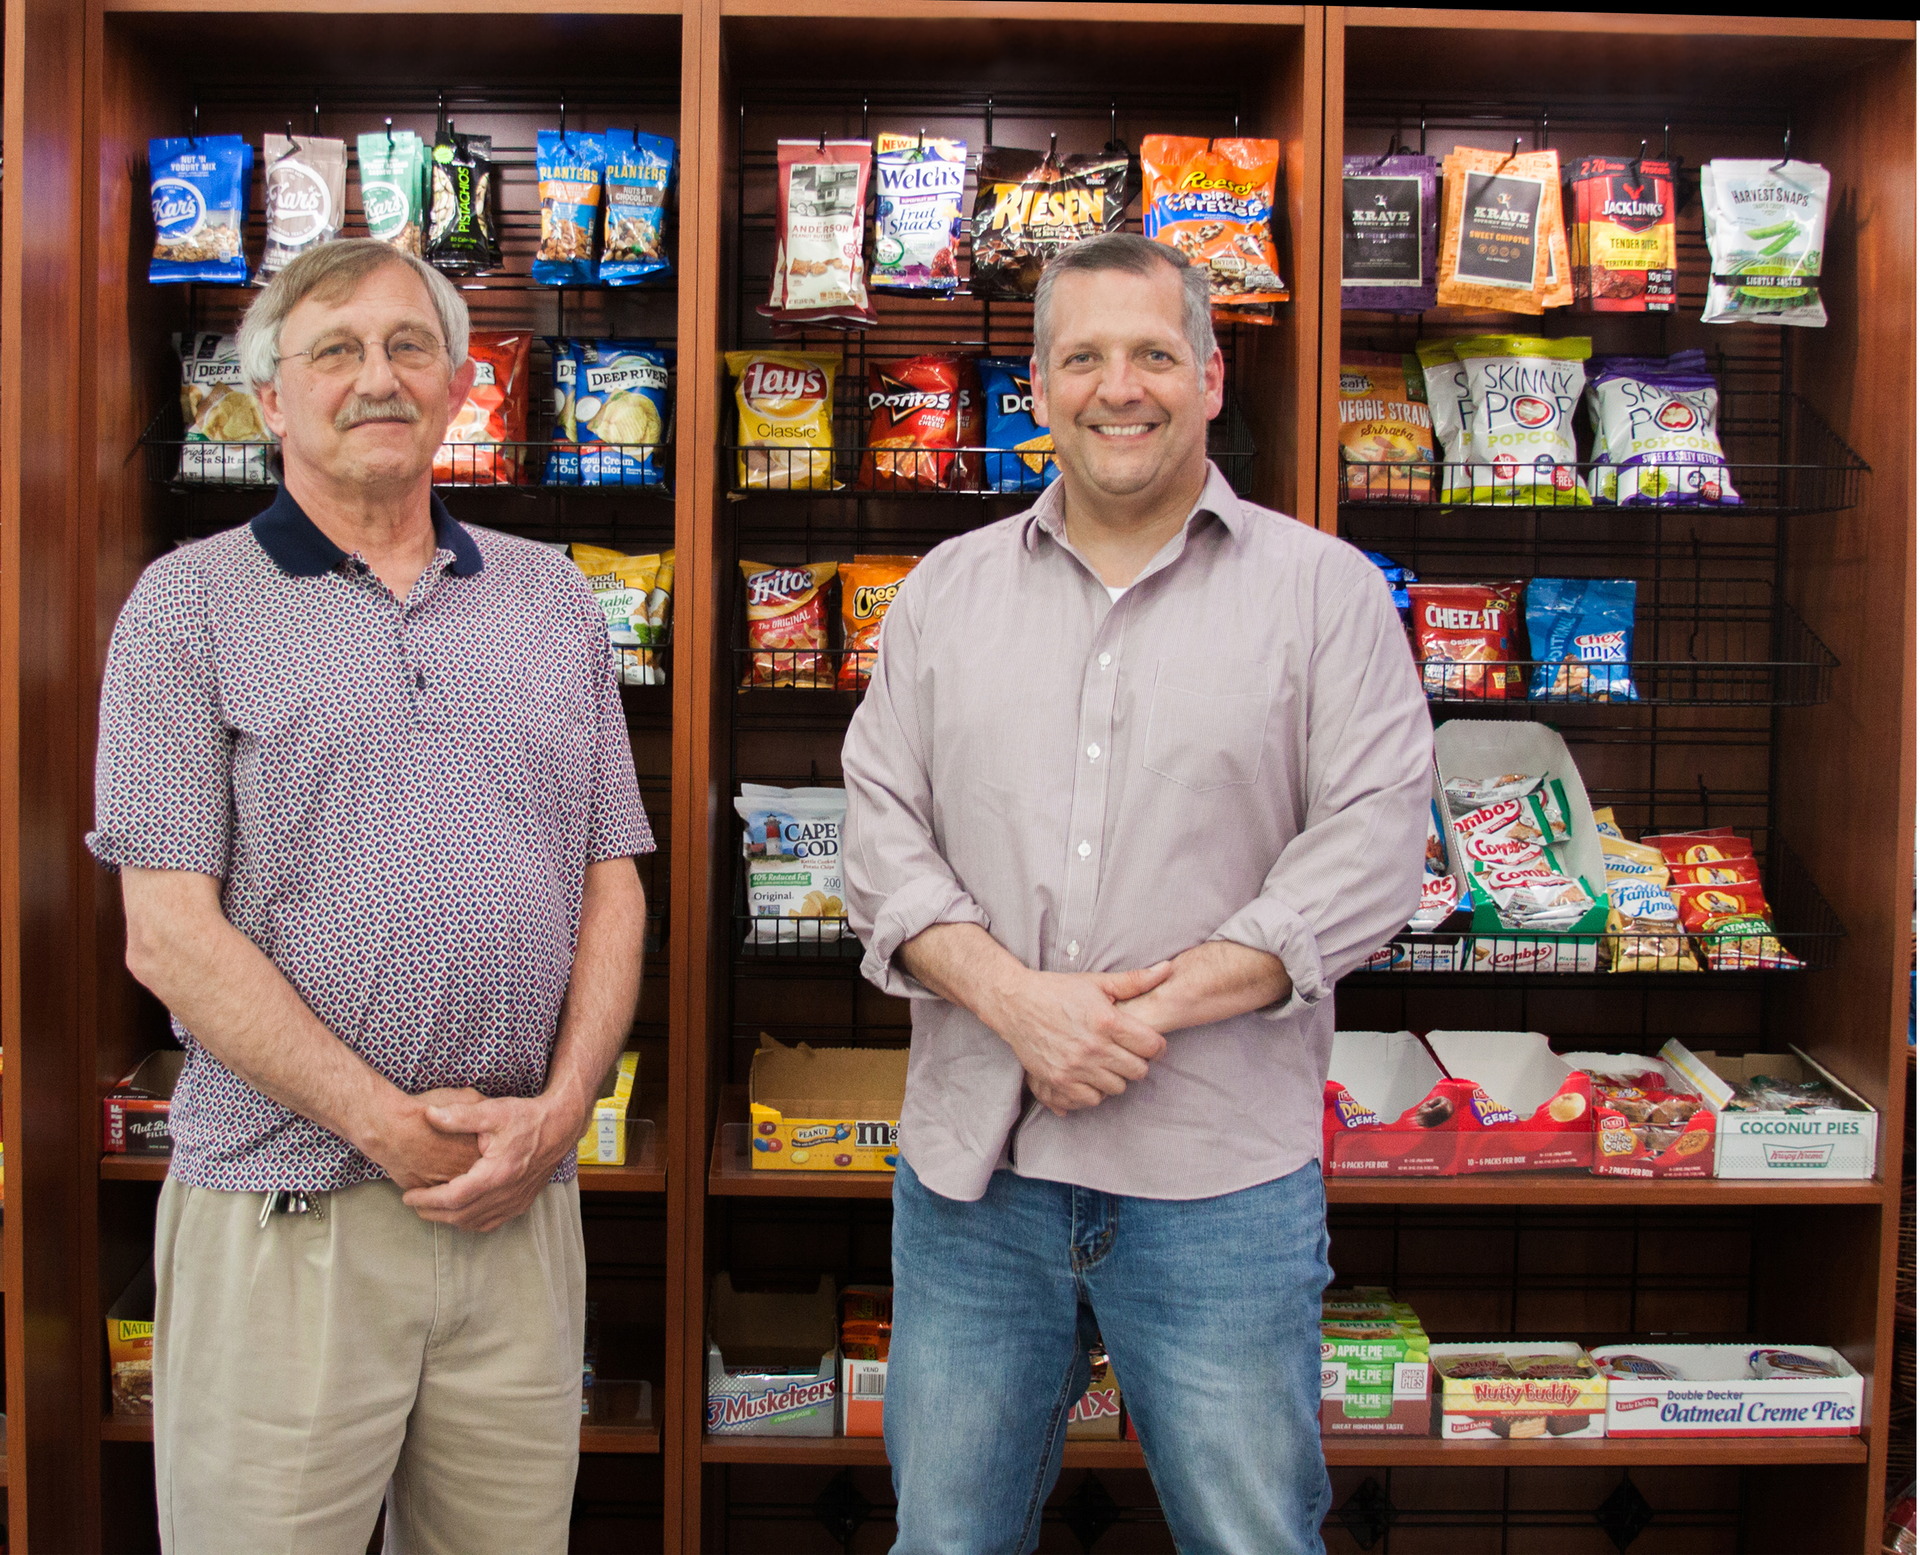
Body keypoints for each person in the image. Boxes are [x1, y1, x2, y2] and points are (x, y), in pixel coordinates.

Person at [841, 232, 1432, 1555]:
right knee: (945, 1538)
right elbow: (877, 835)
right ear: (1040, 388)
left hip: (1222, 1182)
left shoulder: (1327, 594)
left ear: (1212, 379)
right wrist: (1015, 1001)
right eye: (1086, 358)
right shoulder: (944, 595)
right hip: (974, 1186)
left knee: (1255, 1537)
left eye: (1155, 354)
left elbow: (1378, 842)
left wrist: (1150, 1007)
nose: (1123, 387)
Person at [88, 239, 652, 1554]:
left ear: (458, 386)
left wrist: (561, 1116)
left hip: (518, 1205)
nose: (376, 377)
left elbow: (610, 880)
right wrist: (386, 1125)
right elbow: (168, 933)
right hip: (291, 1212)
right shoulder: (187, 607)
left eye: (409, 347)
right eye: (333, 350)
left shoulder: (553, 597)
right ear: (272, 401)